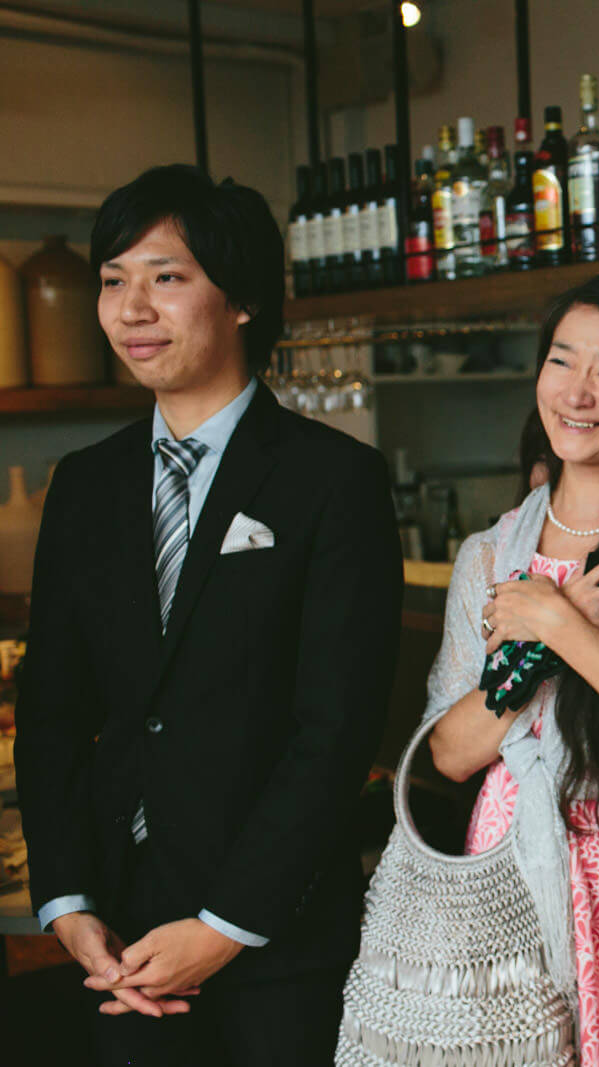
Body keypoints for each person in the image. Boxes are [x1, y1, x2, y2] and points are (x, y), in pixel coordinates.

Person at [16, 164, 402, 1064]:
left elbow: (336, 730)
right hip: (119, 933)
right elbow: (53, 712)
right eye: (114, 281)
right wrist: (68, 901)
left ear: (243, 301)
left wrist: (228, 925)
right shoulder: (84, 485)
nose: (130, 307)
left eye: (166, 277)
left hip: (278, 937)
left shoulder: (332, 480)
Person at [422, 273, 599, 1067]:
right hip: (514, 867)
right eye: (561, 361)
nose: (577, 392)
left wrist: (556, 620)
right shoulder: (490, 552)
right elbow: (450, 752)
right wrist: (541, 650)